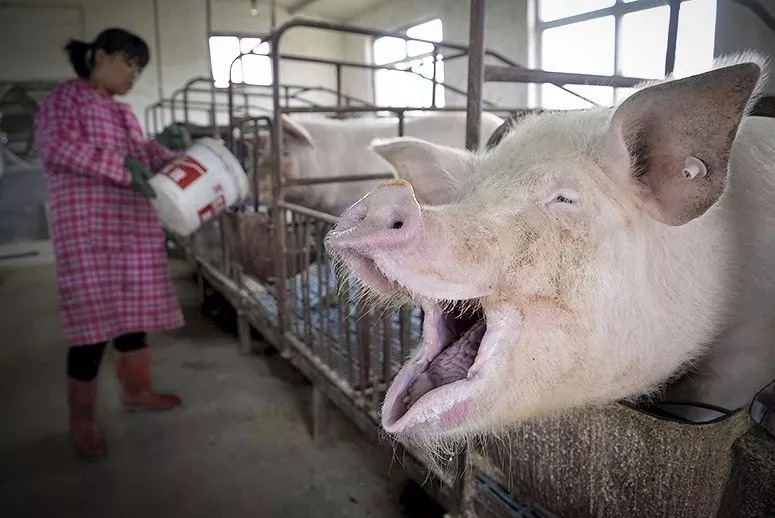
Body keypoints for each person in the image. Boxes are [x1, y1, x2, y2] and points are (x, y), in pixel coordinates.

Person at [34, 28, 192, 458]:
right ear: (100, 56)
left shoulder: (123, 113)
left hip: (130, 226)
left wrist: (164, 148)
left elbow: (140, 160)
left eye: (139, 69)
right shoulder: (65, 100)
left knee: (131, 313)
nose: (133, 75)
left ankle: (136, 392)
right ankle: (81, 418)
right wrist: (122, 167)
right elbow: (57, 147)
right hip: (88, 230)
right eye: (129, 64)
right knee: (91, 323)